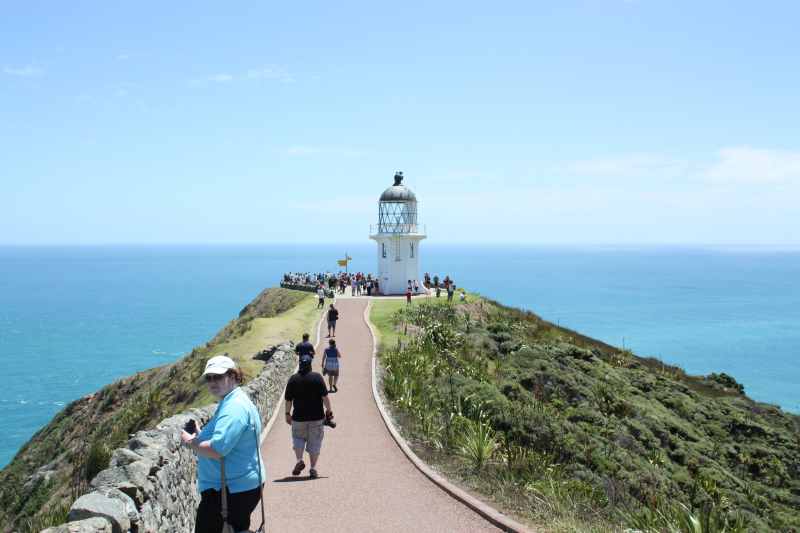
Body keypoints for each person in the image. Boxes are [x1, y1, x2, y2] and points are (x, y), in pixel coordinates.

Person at [181, 355, 265, 533]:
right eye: (209, 378)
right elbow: (225, 436)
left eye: (218, 376)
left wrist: (191, 442)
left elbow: (217, 449)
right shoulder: (232, 401)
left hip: (228, 491)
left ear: (233, 376)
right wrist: (200, 434)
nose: (212, 382)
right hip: (236, 487)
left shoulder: (234, 408)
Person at [284, 355, 333, 479]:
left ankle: (299, 460)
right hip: (316, 417)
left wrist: (287, 414)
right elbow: (325, 397)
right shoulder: (317, 378)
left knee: (298, 439)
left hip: (298, 418)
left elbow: (288, 400)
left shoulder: (293, 379)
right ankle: (313, 468)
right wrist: (329, 410)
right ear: (310, 364)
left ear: (300, 364)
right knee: (315, 443)